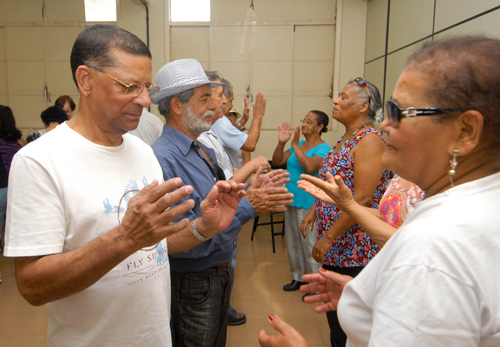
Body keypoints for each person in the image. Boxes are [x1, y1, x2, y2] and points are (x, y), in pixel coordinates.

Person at [4, 24, 247, 347]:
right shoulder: (40, 161)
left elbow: (156, 243)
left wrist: (203, 227)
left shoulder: (143, 153)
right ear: (86, 80)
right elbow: (33, 287)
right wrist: (124, 237)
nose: (145, 100)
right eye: (130, 87)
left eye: (146, 87)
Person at [260, 35, 500, 347]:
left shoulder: (432, 248)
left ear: (465, 132)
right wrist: (366, 297)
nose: (385, 125)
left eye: (400, 112)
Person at [150, 58, 294, 347]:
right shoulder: (163, 158)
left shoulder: (200, 149)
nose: (214, 107)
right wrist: (250, 203)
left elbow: (219, 201)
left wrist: (250, 189)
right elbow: (184, 237)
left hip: (216, 272)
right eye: (205, 99)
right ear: (177, 106)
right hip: (193, 280)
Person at [300, 77, 390, 346]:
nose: (335, 101)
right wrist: (315, 211)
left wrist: (329, 238)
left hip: (355, 247)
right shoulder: (345, 139)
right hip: (337, 245)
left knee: (349, 322)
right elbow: (337, 187)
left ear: (364, 107)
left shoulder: (370, 140)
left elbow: (360, 198)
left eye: (343, 97)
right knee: (336, 318)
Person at [197, 70, 273, 326]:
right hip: (222, 204)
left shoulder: (211, 130)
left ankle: (222, 305)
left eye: (221, 98)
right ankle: (223, 307)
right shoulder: (212, 127)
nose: (221, 104)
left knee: (226, 255)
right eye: (219, 97)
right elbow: (249, 145)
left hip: (228, 199)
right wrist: (258, 119)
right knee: (223, 255)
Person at [272, 111, 331, 296]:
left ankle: (315, 284)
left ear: (320, 127)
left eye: (309, 122)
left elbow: (311, 167)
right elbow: (277, 161)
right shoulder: (300, 145)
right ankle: (298, 277)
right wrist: (282, 143)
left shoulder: (324, 148)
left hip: (309, 204)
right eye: (303, 121)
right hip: (292, 200)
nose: (304, 125)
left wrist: (295, 145)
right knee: (294, 243)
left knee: (309, 244)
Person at [299, 172, 424, 246]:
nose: (385, 126)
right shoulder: (400, 175)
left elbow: (413, 244)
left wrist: (350, 206)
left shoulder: (438, 182)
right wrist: (345, 204)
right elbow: (388, 217)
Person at [211, 78, 266, 170]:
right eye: (231, 100)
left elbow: (229, 134)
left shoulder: (216, 120)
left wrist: (243, 120)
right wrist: (258, 116)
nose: (232, 106)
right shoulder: (219, 120)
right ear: (222, 98)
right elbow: (250, 144)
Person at [0, 105, 26, 268]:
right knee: (18, 230)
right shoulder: (19, 141)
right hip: (18, 190)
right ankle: (21, 267)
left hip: (1, 189)